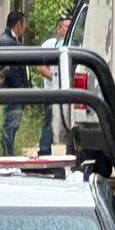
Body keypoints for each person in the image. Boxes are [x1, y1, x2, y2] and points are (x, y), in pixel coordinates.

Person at [35, 14, 71, 156]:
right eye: (67, 27)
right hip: (52, 91)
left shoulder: (74, 43)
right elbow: (40, 66)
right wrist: (55, 78)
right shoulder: (49, 45)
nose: (69, 30)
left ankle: (71, 153)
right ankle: (44, 151)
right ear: (59, 28)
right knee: (49, 122)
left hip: (70, 91)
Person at [0, 10, 30, 156]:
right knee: (10, 124)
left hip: (15, 90)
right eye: (24, 24)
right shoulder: (7, 43)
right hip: (12, 91)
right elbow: (10, 70)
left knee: (13, 124)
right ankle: (7, 155)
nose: (25, 28)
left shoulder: (10, 41)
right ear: (18, 24)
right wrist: (21, 88)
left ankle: (8, 153)